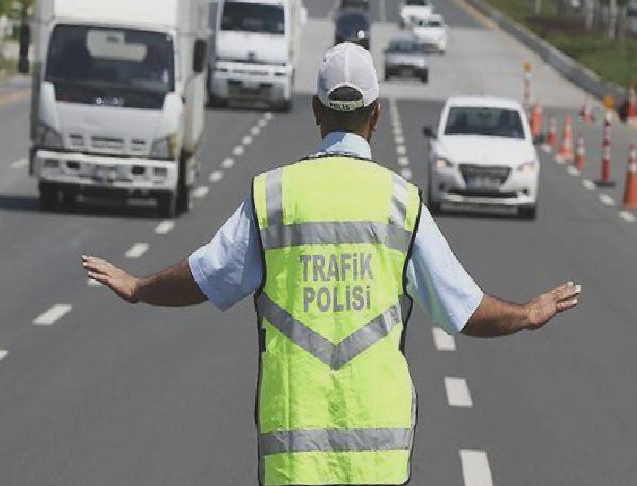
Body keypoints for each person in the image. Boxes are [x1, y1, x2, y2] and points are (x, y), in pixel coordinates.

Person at [82, 43, 581, 486]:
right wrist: (527, 313)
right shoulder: (400, 204)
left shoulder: (274, 196)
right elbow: (463, 310)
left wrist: (139, 285)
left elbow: (205, 277)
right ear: (377, 114)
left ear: (317, 112)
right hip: (380, 462)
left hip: (293, 458)